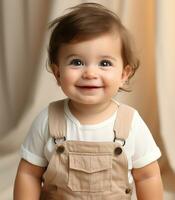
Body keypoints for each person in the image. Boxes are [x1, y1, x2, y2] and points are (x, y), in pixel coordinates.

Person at [14, 3, 163, 200]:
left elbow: (147, 176)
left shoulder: (131, 122)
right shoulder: (48, 120)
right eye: (77, 62)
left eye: (105, 63)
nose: (90, 73)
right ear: (58, 73)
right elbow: (29, 174)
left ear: (124, 74)